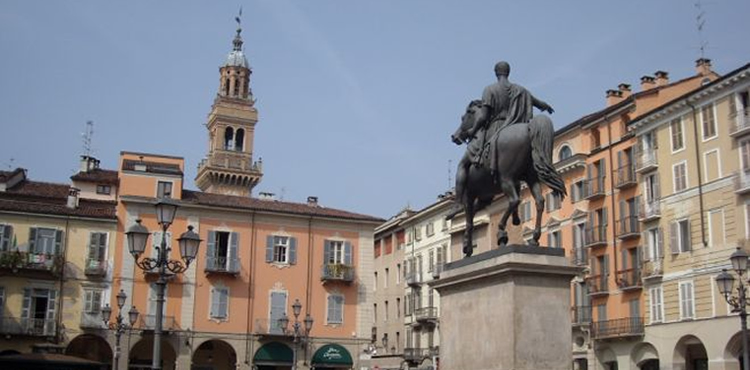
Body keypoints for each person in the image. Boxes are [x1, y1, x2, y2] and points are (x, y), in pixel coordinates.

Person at [447, 61, 554, 219]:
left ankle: (457, 203)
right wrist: (545, 106)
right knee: (517, 171)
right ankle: (515, 209)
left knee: (463, 164)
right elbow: (538, 103)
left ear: (496, 72)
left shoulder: (490, 90)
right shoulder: (520, 89)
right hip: (517, 124)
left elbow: (483, 116)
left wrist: (471, 132)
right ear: (508, 72)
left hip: (495, 129)